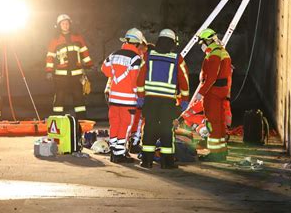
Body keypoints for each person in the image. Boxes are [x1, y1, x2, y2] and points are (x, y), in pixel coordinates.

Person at [137, 29, 190, 169]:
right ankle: (167, 163)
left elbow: (140, 78)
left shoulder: (148, 55)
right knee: (167, 130)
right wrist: (184, 100)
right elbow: (184, 80)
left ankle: (146, 161)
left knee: (149, 129)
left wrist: (141, 97)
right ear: (172, 42)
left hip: (150, 100)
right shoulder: (177, 58)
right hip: (168, 102)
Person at [101, 28, 144, 163]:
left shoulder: (114, 54)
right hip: (128, 100)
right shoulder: (136, 59)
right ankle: (119, 154)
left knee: (114, 123)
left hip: (114, 98)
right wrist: (140, 96)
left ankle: (114, 151)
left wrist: (115, 75)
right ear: (137, 43)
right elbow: (134, 80)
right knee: (125, 126)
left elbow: (104, 69)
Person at [45, 14, 93, 119]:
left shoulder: (78, 37)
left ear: (70, 24)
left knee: (79, 99)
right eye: (63, 23)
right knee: (59, 99)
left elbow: (84, 51)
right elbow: (50, 56)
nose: (65, 25)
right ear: (59, 26)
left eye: (67, 23)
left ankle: (81, 122)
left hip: (77, 74)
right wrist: (49, 70)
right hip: (61, 76)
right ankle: (57, 122)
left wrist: (89, 64)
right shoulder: (55, 40)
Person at [195, 28, 232, 161]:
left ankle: (215, 154)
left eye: (202, 42)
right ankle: (221, 151)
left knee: (212, 123)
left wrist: (201, 92)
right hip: (221, 91)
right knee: (220, 122)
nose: (202, 46)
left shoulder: (214, 54)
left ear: (208, 40)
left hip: (213, 93)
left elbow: (211, 77)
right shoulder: (223, 51)